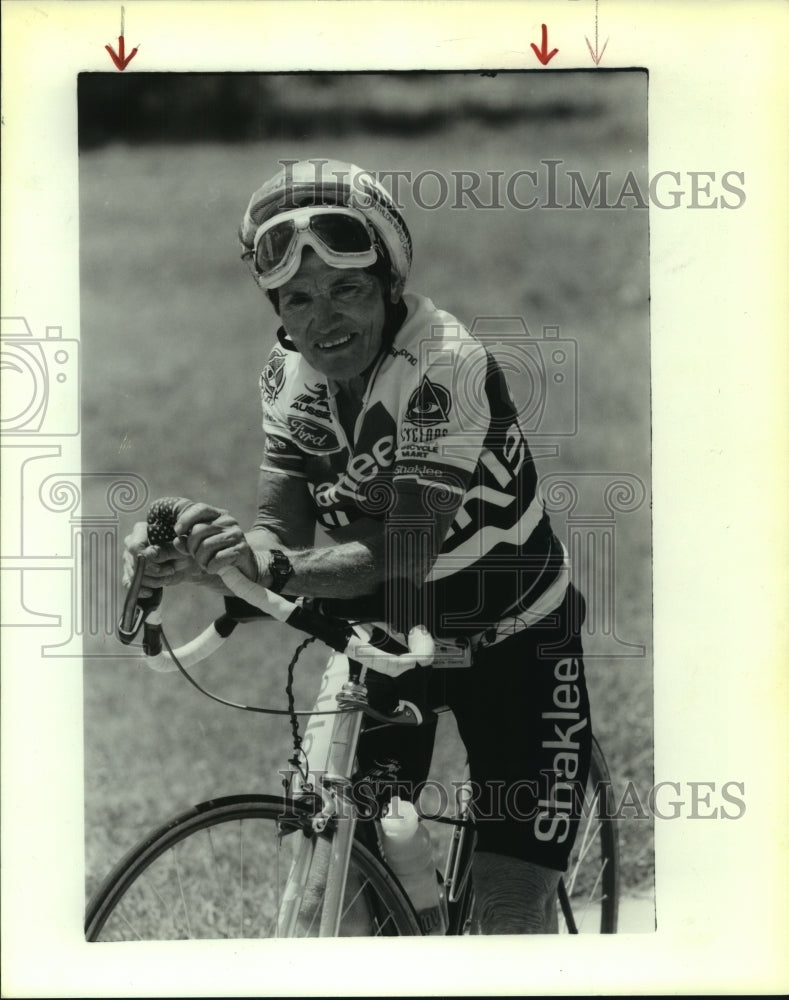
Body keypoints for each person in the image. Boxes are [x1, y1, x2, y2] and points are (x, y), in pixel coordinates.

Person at [123, 158, 592, 934]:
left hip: (516, 643)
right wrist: (212, 555)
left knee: (511, 919)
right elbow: (281, 530)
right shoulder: (288, 375)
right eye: (298, 299)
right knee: (342, 896)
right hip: (387, 639)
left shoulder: (444, 364)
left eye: (346, 290)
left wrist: (265, 567)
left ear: (387, 285)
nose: (323, 319)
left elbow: (400, 552)